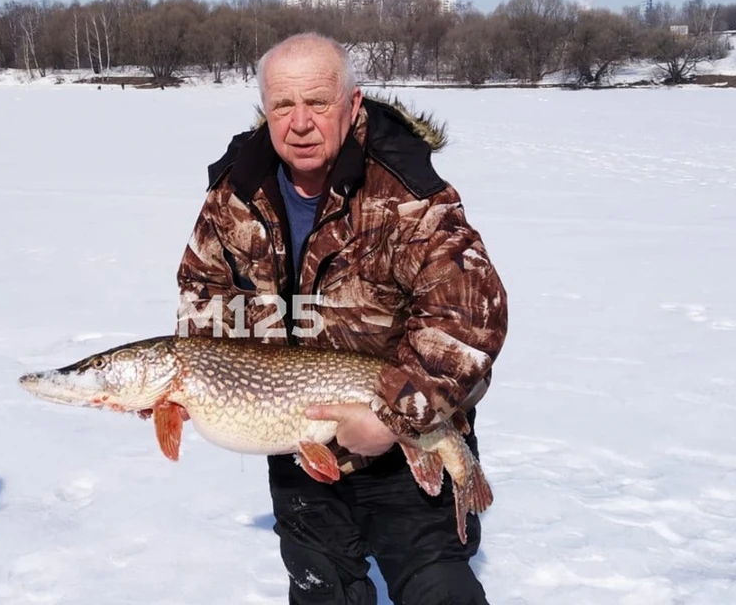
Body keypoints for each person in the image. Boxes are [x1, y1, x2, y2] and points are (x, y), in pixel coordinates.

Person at [175, 32, 508, 604]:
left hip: (410, 442)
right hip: (297, 440)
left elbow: (469, 318)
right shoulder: (235, 195)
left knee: (437, 589)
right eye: (283, 105)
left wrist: (392, 418)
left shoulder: (410, 194)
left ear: (352, 105)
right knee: (323, 591)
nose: (299, 122)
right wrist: (195, 381)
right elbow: (203, 294)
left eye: (317, 103)